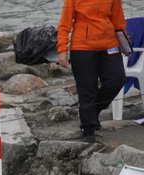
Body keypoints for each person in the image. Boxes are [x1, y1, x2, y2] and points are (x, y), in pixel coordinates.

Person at [55, 0, 131, 140]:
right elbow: (65, 24)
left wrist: (125, 43)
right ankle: (88, 129)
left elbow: (118, 20)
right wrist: (62, 50)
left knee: (117, 79)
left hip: (109, 45)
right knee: (87, 88)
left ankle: (91, 112)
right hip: (82, 48)